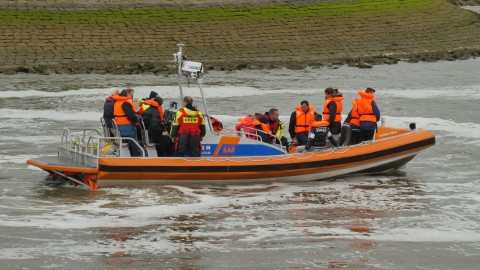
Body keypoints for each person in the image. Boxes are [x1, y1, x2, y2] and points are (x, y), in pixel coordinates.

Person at [113, 88, 142, 157]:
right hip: (127, 127)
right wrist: (138, 118)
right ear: (128, 95)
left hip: (119, 127)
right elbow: (132, 117)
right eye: (132, 96)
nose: (132, 97)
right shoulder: (125, 103)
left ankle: (130, 156)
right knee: (135, 144)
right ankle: (137, 157)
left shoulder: (117, 102)